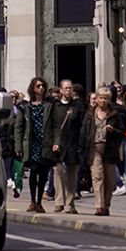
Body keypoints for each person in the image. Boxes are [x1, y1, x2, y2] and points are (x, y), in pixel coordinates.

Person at [13, 78, 54, 212]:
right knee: (33, 171)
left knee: (43, 174)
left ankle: (39, 202)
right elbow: (18, 127)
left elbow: (55, 125)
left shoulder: (49, 105)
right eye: (38, 86)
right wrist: (18, 146)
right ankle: (32, 201)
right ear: (33, 88)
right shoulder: (25, 107)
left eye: (43, 86)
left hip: (45, 143)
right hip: (31, 143)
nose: (41, 88)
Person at [87, 87, 126, 216]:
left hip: (110, 148)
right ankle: (99, 205)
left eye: (105, 98)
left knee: (110, 179)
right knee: (97, 176)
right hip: (95, 147)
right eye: (100, 98)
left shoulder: (114, 114)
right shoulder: (90, 113)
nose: (103, 101)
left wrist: (113, 130)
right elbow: (84, 131)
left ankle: (106, 204)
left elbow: (122, 131)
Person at [47, 80, 86, 214]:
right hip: (58, 144)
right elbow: (52, 126)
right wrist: (53, 142)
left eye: (70, 88)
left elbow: (82, 124)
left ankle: (70, 203)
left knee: (71, 174)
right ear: (61, 90)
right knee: (58, 172)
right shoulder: (55, 106)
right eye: (66, 88)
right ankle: (59, 202)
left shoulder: (77, 106)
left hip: (73, 144)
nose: (69, 91)